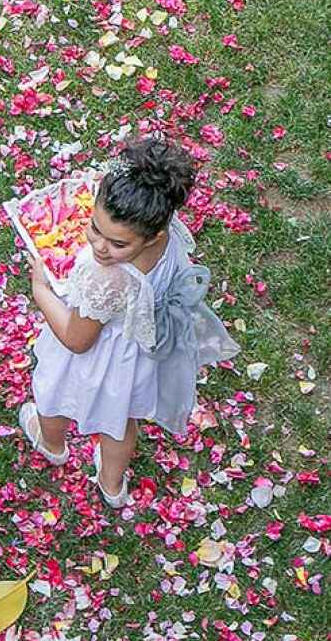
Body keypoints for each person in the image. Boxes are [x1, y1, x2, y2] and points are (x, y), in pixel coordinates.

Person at [20, 137, 239, 507]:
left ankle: (51, 442)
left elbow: (77, 339)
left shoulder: (105, 274)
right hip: (137, 353)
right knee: (121, 419)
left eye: (117, 243)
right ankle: (112, 483)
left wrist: (41, 290)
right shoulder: (166, 231)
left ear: (151, 234)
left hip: (98, 357)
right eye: (95, 227)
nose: (100, 247)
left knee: (52, 393)